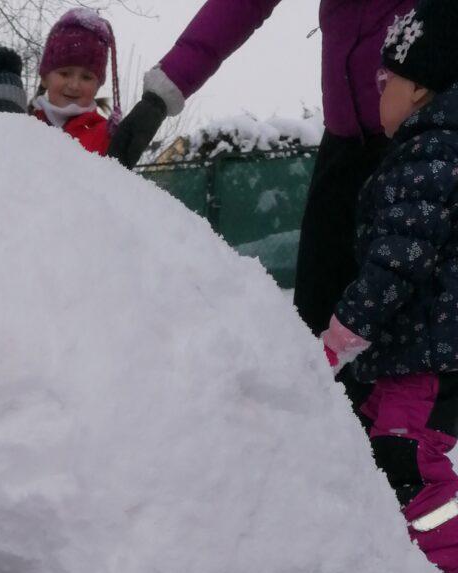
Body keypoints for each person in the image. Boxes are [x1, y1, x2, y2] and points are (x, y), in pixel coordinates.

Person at [109, 0, 401, 335]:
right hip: (343, 150)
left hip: (425, 145)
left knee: (409, 329)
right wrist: (165, 89)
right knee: (316, 327)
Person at [322, 0, 458, 573]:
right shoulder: (431, 156)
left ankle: (441, 566)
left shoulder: (426, 159)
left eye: (386, 81)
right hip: (411, 357)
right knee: (374, 451)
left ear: (420, 90)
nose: (378, 94)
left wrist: (345, 331)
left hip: (421, 361)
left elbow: (395, 260)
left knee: (408, 464)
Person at [32, 9, 120, 156]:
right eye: (64, 74)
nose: (74, 85)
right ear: (44, 78)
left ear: (97, 86)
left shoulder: (108, 137)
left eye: (86, 77)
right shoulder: (24, 126)